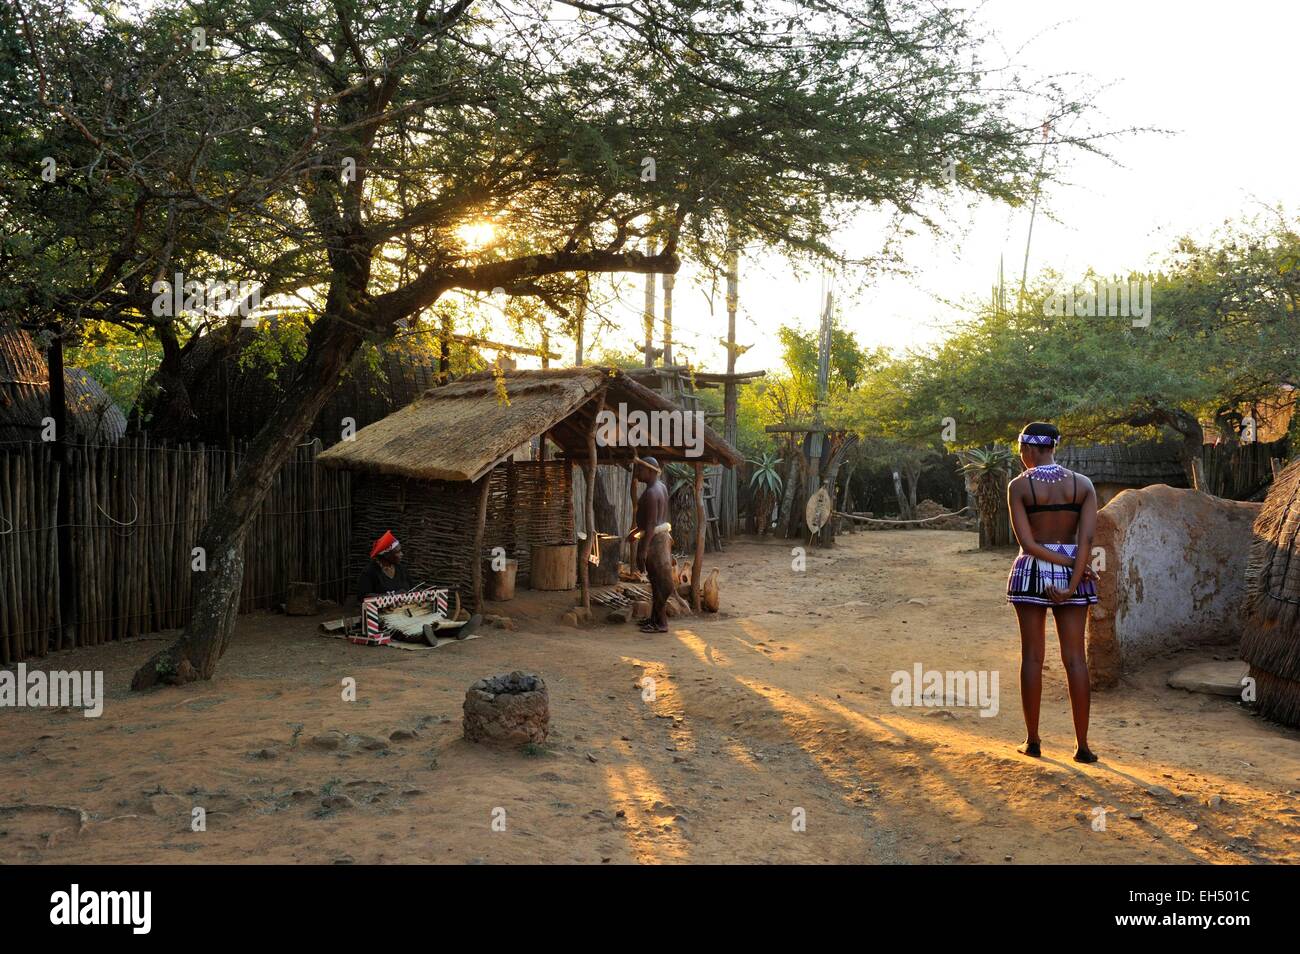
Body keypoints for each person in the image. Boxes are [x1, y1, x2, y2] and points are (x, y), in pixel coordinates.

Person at [1006, 422, 1100, 763]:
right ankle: (1083, 747)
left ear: (1029, 450)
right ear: (1053, 447)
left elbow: (1027, 543)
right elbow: (1086, 540)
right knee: (1075, 659)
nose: (1021, 457)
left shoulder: (1020, 487)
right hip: (1075, 570)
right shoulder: (1083, 485)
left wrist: (1060, 564)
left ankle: (1032, 741)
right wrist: (1074, 580)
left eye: (1021, 451)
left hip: (1030, 571)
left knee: (1032, 657)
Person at [627, 456, 673, 634]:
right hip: (660, 539)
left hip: (655, 543)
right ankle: (654, 619)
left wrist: (643, 550)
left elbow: (651, 524)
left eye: (640, 470)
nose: (637, 473)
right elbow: (649, 523)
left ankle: (661, 623)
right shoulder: (660, 487)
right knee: (655, 583)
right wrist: (634, 533)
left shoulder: (652, 493)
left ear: (651, 471)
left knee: (660, 583)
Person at [356, 530, 411, 601]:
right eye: (398, 552)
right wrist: (394, 596)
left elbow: (412, 588)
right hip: (380, 611)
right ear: (387, 555)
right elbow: (363, 597)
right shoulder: (369, 572)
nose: (402, 554)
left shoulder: (401, 569)